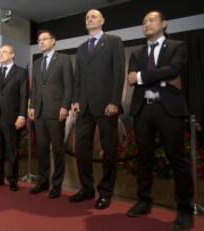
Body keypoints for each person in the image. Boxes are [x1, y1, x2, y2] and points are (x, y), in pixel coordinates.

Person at [126, 11, 194, 230]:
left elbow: (174, 69)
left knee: (177, 160)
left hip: (168, 111)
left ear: (164, 23)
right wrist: (162, 79)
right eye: (143, 21)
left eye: (151, 20)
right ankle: (144, 201)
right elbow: (130, 78)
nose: (146, 23)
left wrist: (143, 77)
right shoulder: (136, 52)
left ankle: (185, 209)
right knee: (144, 159)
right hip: (143, 110)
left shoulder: (177, 46)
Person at [70, 9, 125, 209]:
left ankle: (106, 192)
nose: (89, 19)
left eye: (93, 16)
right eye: (87, 18)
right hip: (84, 106)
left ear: (102, 20)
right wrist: (76, 99)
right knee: (81, 149)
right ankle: (86, 189)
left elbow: (118, 73)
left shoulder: (113, 41)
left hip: (106, 106)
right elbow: (78, 77)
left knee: (109, 150)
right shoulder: (81, 48)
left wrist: (115, 101)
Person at [28, 29, 73, 199]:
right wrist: (32, 106)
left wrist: (65, 106)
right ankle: (42, 181)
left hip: (56, 111)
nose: (41, 42)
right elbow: (35, 89)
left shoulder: (63, 59)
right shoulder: (37, 62)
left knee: (57, 149)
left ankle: (56, 184)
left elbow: (69, 85)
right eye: (39, 40)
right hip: (38, 112)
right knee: (42, 149)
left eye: (44, 39)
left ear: (53, 41)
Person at [0, 45, 28, 191]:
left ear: (12, 54)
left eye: (4, 52)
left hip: (12, 117)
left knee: (12, 151)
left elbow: (24, 96)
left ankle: (13, 179)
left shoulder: (21, 72)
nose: (0, 54)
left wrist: (22, 115)